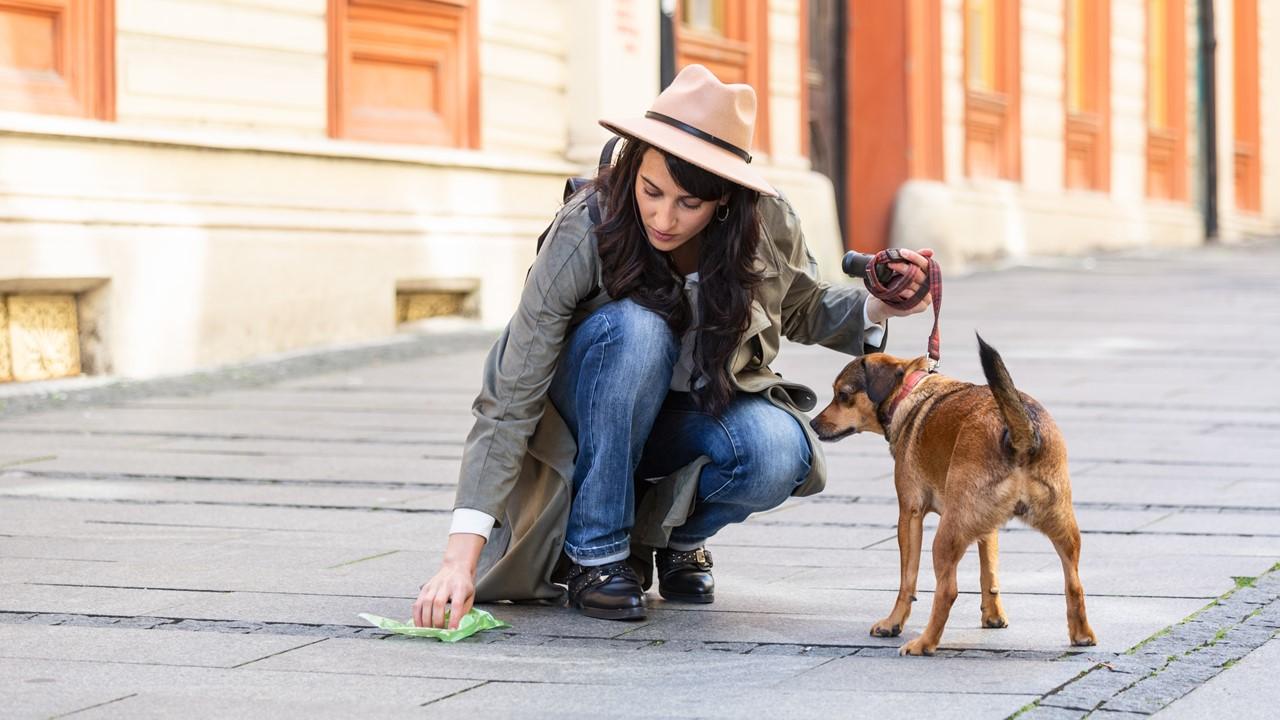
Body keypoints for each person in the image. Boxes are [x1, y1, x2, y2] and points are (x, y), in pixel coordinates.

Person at [413, 64, 933, 627]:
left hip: (689, 415)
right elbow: (509, 392)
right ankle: (598, 555)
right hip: (586, 418)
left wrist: (884, 304)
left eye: (690, 203)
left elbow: (803, 305)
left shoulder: (765, 222)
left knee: (780, 450)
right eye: (651, 191)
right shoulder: (587, 228)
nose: (664, 217)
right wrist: (456, 562)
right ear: (634, 166)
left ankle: (669, 539)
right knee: (638, 328)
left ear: (724, 202)